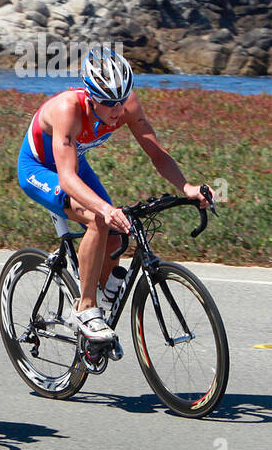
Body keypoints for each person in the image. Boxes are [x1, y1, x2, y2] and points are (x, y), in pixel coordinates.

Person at [17, 46, 211, 343]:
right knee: (99, 218)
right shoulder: (67, 109)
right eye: (109, 103)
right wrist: (105, 211)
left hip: (73, 163)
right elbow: (67, 180)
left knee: (117, 237)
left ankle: (99, 299)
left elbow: (157, 154)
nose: (117, 110)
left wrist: (187, 187)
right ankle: (85, 307)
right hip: (40, 169)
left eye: (122, 100)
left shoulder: (126, 106)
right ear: (91, 95)